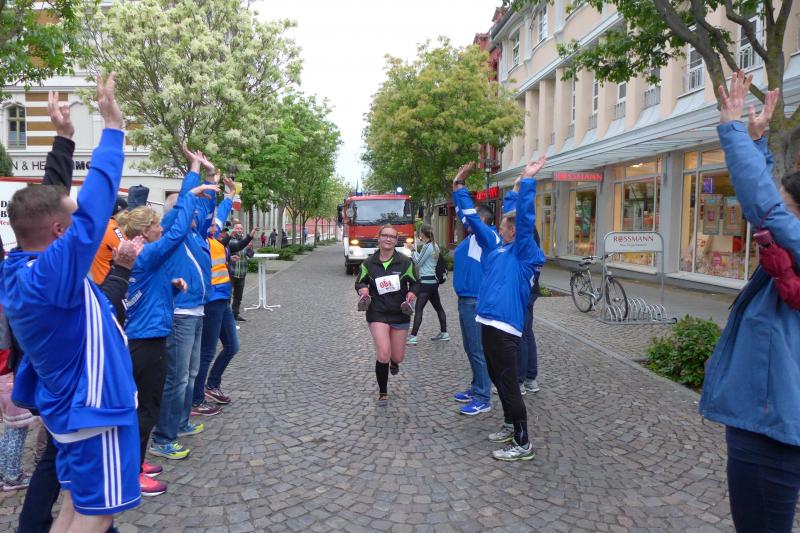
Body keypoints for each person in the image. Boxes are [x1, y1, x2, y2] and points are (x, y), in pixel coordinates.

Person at [1, 74, 141, 532]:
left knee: (75, 507)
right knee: (97, 515)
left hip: (69, 410)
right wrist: (113, 129)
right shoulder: (50, 276)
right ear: (61, 233)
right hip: (92, 410)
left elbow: (47, 204)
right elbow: (92, 209)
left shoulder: (19, 266)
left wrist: (63, 140)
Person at [699, 71, 800, 532]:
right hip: (774, 418)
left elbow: (766, 211)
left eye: (789, 210)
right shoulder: (785, 265)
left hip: (771, 426)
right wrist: (756, 144)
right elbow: (765, 211)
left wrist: (734, 131)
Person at [117, 172, 215, 497]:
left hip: (145, 337)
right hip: (146, 341)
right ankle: (131, 474)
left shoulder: (140, 253)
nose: (161, 227)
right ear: (146, 232)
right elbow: (176, 232)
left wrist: (171, 288)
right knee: (147, 407)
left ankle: (136, 461)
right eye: (156, 224)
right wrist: (190, 195)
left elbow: (146, 293)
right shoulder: (147, 253)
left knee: (145, 406)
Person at [452, 157, 546, 462]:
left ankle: (523, 442)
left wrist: (527, 182)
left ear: (513, 232)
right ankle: (509, 424)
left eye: (505, 225)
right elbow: (474, 221)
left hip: (506, 327)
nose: (499, 227)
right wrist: (459, 188)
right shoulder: (497, 248)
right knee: (498, 379)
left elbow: (524, 218)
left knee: (509, 384)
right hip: (487, 321)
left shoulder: (525, 254)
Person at [149, 147, 218, 464]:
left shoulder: (193, 234)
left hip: (196, 311)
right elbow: (186, 206)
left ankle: (180, 421)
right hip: (180, 315)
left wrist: (210, 176)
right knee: (176, 379)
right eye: (189, 208)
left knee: (189, 374)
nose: (195, 214)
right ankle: (163, 437)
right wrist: (193, 171)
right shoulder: (173, 233)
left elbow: (206, 206)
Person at [355, 224, 419, 406]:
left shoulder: (405, 262)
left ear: (396, 240)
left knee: (397, 356)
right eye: (385, 235)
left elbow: (416, 283)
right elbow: (359, 282)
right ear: (379, 237)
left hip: (400, 313)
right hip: (377, 312)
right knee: (383, 352)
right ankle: (383, 392)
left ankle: (394, 362)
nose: (388, 239)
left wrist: (412, 292)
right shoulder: (369, 263)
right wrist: (363, 289)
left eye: (392, 236)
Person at [191, 178, 238, 412]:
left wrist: (230, 195)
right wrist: (208, 186)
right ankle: (196, 399)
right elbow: (208, 212)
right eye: (209, 221)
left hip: (222, 300)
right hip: (211, 302)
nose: (215, 223)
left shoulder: (212, 235)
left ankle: (212, 385)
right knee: (206, 352)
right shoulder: (199, 238)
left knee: (232, 346)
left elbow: (220, 214)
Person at [451, 203, 497, 416]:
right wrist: (456, 189)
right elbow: (462, 211)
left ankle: (483, 397)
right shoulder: (472, 237)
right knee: (470, 347)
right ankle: (477, 385)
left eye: (473, 217)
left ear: (482, 220)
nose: (466, 220)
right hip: (466, 299)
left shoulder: (486, 238)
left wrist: (460, 190)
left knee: (478, 349)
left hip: (474, 300)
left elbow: (467, 214)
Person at [503, 183, 543, 395]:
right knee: (526, 332)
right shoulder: (529, 232)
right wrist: (515, 190)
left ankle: (520, 379)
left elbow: (513, 215)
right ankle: (530, 377)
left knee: (519, 333)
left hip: (524, 289)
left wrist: (519, 189)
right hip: (530, 288)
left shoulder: (526, 233)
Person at [405, 224, 448, 345]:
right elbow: (424, 261)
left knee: (419, 309)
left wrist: (412, 250)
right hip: (433, 283)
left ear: (423, 234)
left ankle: (413, 336)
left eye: (419, 232)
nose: (419, 234)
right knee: (439, 308)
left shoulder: (427, 246)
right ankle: (444, 333)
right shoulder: (435, 245)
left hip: (426, 283)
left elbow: (418, 263)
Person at [227, 222, 258, 321]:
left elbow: (251, 255)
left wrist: (249, 248)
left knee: (238, 297)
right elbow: (237, 246)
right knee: (228, 296)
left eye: (241, 229)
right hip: (231, 273)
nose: (240, 230)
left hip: (242, 273)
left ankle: (235, 315)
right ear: (233, 229)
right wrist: (248, 239)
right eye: (237, 228)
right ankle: (227, 317)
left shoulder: (245, 242)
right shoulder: (230, 240)